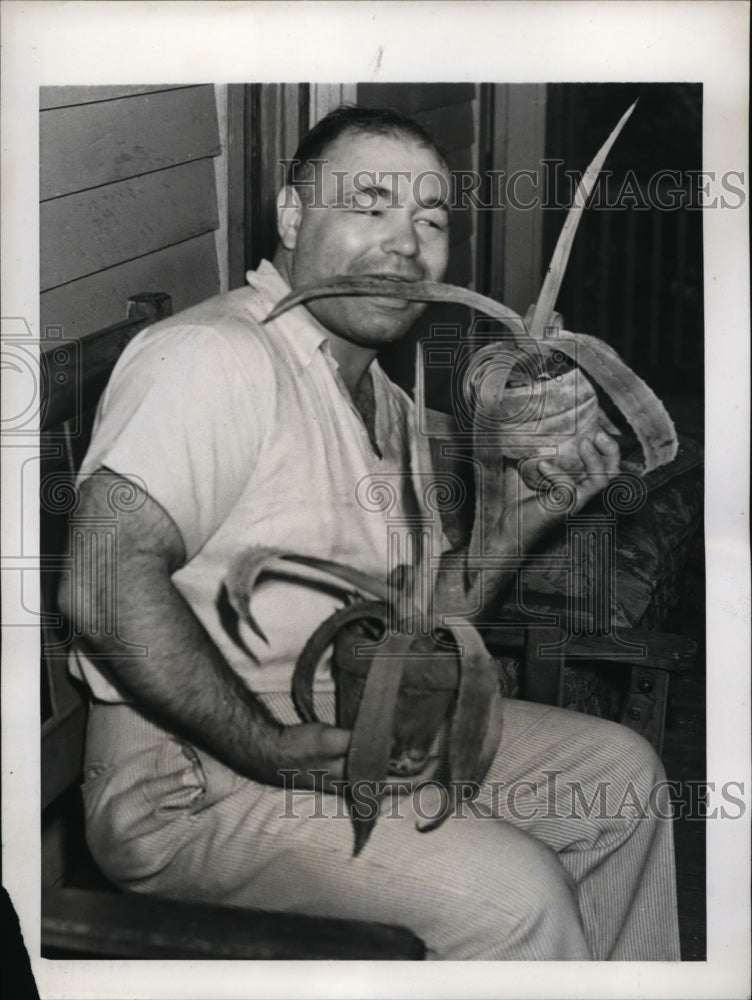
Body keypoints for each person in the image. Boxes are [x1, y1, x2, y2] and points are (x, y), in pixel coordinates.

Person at [60, 105, 680, 961]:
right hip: (197, 788)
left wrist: (512, 521)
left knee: (620, 779)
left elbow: (412, 630)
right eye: (371, 204)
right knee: (516, 898)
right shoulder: (213, 357)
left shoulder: (383, 401)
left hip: (354, 731)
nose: (407, 242)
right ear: (290, 217)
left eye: (430, 220)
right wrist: (270, 749)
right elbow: (99, 579)